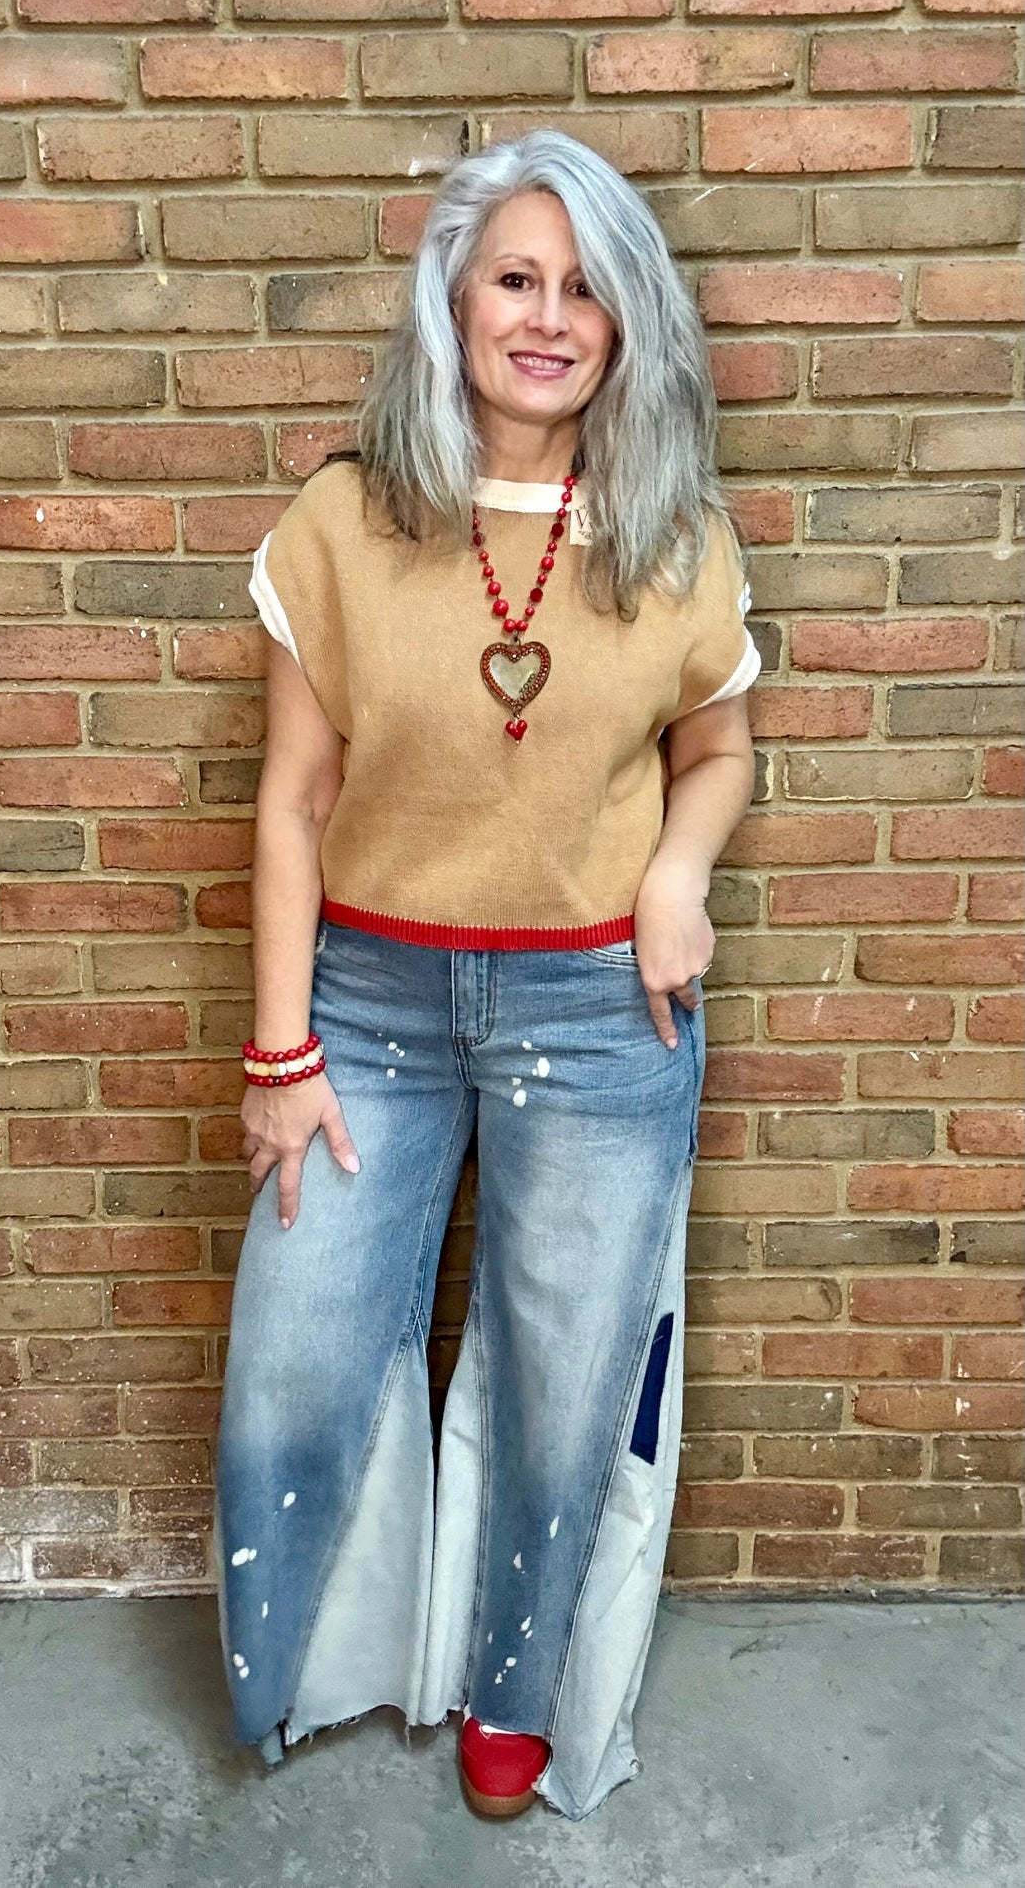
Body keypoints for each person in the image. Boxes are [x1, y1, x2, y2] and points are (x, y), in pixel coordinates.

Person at [214, 127, 760, 1823]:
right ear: (452, 302)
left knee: (560, 1383)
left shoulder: (674, 533)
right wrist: (278, 1050)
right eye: (516, 278)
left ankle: (519, 1692)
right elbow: (294, 797)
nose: (548, 315)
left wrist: (676, 875)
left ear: (627, 324)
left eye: (585, 286)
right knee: (294, 1364)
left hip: (601, 1017)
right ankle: (306, 1662)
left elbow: (719, 751)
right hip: (368, 1012)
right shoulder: (344, 521)